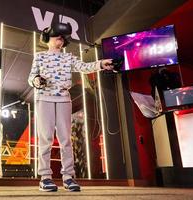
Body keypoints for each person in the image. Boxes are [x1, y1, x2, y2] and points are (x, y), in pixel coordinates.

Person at [28, 23, 114, 192]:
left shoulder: (69, 58)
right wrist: (36, 80)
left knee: (65, 140)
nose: (59, 38)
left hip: (64, 99)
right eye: (56, 36)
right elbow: (31, 77)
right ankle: (45, 177)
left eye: (61, 37)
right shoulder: (39, 56)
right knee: (45, 138)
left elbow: (84, 67)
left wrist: (101, 63)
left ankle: (68, 177)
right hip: (44, 98)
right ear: (47, 38)